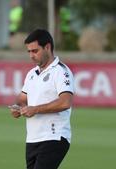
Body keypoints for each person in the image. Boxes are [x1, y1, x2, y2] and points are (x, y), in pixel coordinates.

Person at [9, 29, 74, 169]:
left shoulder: (61, 71)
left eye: (35, 51)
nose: (31, 55)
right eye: (29, 52)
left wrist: (35, 109)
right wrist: (17, 107)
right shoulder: (32, 74)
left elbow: (65, 102)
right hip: (33, 138)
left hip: (54, 136)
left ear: (47, 47)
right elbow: (22, 98)